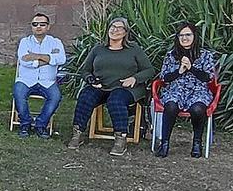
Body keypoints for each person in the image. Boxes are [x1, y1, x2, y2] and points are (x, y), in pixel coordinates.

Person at [69, 17, 156, 156]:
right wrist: (90, 79)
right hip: (101, 86)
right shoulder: (98, 49)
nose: (115, 30)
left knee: (116, 100)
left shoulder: (133, 49)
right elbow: (85, 70)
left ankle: (120, 138)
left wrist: (135, 78)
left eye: (119, 27)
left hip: (125, 88)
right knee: (86, 96)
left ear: (125, 32)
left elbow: (149, 70)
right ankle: (77, 133)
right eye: (112, 27)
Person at [155, 22, 217, 158]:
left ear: (194, 36)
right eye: (181, 35)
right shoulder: (171, 55)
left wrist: (191, 68)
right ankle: (164, 143)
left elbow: (208, 78)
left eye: (188, 34)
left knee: (198, 109)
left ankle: (197, 142)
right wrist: (179, 71)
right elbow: (164, 78)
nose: (184, 38)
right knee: (170, 106)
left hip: (198, 90)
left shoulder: (205, 55)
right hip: (175, 89)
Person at [12, 13, 66, 138]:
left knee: (55, 97)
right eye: (35, 24)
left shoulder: (55, 42)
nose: (38, 27)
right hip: (26, 79)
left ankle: (41, 125)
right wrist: (49, 59)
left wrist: (35, 56)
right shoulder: (25, 42)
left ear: (48, 27)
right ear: (31, 26)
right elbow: (24, 60)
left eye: (42, 24)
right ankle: (25, 123)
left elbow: (61, 59)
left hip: (48, 81)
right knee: (18, 93)